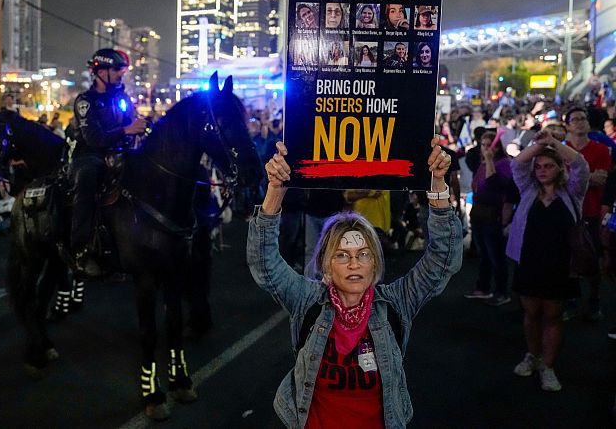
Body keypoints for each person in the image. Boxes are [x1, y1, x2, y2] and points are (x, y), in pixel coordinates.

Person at [248, 137, 461, 428]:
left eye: (363, 254)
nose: (353, 264)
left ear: (375, 263)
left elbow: (443, 260)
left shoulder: (396, 303)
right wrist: (275, 190)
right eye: (341, 255)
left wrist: (437, 184)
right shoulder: (307, 300)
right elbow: (264, 263)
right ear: (325, 266)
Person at [507, 129, 589, 392]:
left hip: (560, 264)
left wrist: (553, 143)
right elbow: (517, 164)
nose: (542, 170)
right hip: (529, 261)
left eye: (549, 165)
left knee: (553, 316)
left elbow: (581, 165)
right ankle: (533, 355)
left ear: (559, 168)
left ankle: (548, 366)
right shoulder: (528, 190)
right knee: (531, 313)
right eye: (539, 166)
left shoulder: (572, 192)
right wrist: (538, 145)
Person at [67, 49, 146, 274]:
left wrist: (143, 127)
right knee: (87, 178)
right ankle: (81, 247)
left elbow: (133, 122)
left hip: (120, 152)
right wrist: (126, 129)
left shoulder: (121, 97)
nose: (121, 75)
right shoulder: (86, 101)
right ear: (100, 72)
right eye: (116, 70)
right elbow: (93, 138)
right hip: (90, 155)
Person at [564, 107, 610, 320]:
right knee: (568, 259)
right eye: (575, 119)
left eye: (583, 119)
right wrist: (587, 177)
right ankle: (571, 298)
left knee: (592, 258)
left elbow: (601, 179)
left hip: (591, 211)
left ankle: (594, 299)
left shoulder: (600, 149)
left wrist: (573, 177)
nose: (581, 122)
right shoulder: (562, 150)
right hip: (568, 212)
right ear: (568, 125)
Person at [464, 131, 515, 305]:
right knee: (484, 254)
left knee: (496, 255)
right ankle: (483, 287)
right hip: (480, 212)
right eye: (483, 145)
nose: (486, 149)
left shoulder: (503, 164)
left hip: (494, 213)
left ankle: (501, 291)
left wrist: (490, 161)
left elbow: (496, 183)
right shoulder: (482, 163)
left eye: (489, 145)